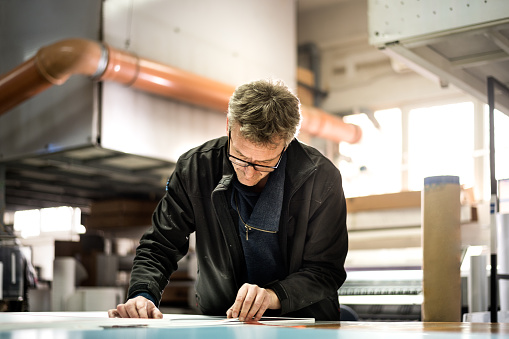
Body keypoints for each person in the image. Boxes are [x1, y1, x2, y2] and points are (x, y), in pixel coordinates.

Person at [107, 79, 348, 321]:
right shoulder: (195, 168)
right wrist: (142, 294)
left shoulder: (321, 178)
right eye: (240, 156)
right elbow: (159, 245)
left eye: (264, 163)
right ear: (228, 126)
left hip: (305, 324)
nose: (249, 173)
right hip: (224, 321)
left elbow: (326, 270)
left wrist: (273, 295)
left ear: (287, 144)